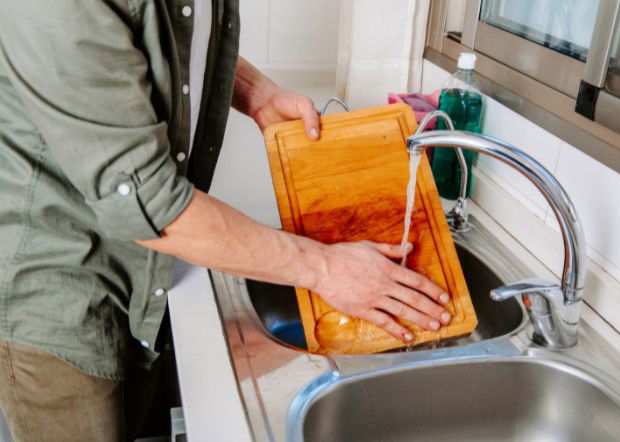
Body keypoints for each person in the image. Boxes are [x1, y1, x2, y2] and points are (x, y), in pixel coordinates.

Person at [0, 1, 451, 440]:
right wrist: (326, 268)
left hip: (145, 274)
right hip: (57, 294)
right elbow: (150, 203)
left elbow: (171, 35)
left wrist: (256, 93)